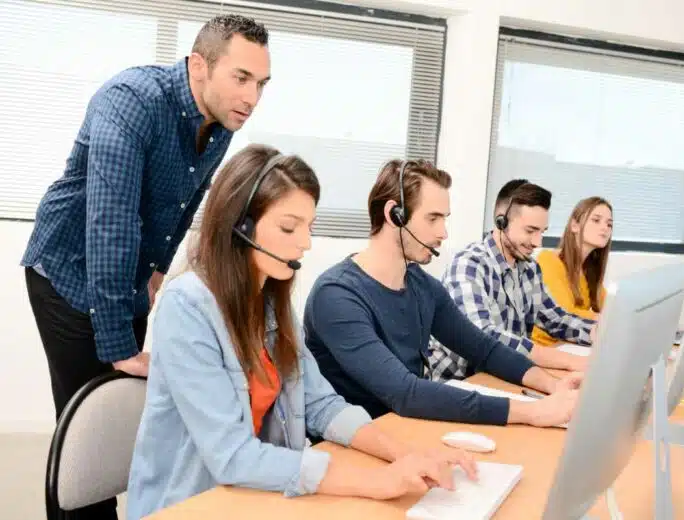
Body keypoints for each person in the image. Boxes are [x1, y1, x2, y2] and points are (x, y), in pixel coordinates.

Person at [126, 145, 477, 520]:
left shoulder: (271, 302)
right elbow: (231, 455)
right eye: (289, 227)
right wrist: (376, 482)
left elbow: (321, 404)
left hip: (263, 495)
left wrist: (407, 455)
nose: (305, 243)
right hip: (197, 504)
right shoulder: (188, 307)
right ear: (240, 225)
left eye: (308, 227)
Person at [22, 15, 269, 518]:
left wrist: (156, 272)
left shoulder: (219, 121)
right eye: (241, 78)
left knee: (123, 429)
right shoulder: (131, 101)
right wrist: (119, 346)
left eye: (261, 83)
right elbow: (109, 222)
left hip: (124, 274)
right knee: (85, 434)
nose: (252, 96)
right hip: (67, 271)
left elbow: (185, 202)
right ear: (199, 65)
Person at [303, 160, 580, 429]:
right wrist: (532, 412)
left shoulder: (422, 286)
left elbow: (485, 349)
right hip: (359, 444)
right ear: (394, 214)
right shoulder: (337, 295)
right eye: (433, 218)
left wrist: (553, 387)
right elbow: (404, 392)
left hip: (409, 428)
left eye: (444, 219)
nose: (443, 232)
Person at [428, 180, 597, 382]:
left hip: (503, 377)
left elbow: (556, 319)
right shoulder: (469, 265)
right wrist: (568, 360)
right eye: (530, 231)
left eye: (541, 232)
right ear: (501, 222)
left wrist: (597, 333)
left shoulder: (529, 269)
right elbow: (484, 339)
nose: (537, 242)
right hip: (460, 382)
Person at [532, 197, 613, 347]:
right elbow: (564, 314)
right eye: (596, 220)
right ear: (574, 226)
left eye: (609, 224)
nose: (605, 228)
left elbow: (612, 308)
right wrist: (605, 319)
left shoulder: (589, 273)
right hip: (546, 348)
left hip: (571, 346)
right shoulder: (549, 260)